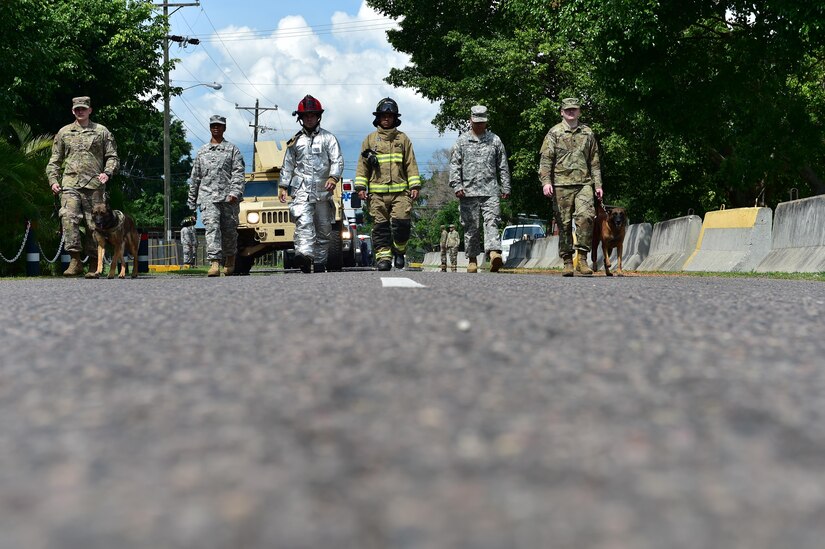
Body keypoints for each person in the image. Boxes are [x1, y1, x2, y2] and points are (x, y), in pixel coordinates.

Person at [46, 96, 119, 277]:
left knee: (95, 224)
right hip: (70, 184)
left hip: (94, 185)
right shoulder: (64, 132)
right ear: (73, 111)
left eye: (83, 108)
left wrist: (107, 172)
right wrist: (53, 181)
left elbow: (112, 157)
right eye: (77, 109)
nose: (80, 111)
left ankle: (95, 262)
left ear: (89, 110)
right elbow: (54, 161)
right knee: (68, 217)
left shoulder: (101, 132)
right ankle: (75, 260)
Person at [278, 95, 344, 273]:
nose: (309, 118)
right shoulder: (295, 142)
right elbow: (288, 164)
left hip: (323, 191)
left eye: (312, 115)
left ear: (318, 117)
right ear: (300, 118)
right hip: (301, 191)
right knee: (304, 222)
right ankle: (305, 256)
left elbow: (337, 160)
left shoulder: (329, 138)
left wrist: (333, 177)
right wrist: (283, 185)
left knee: (323, 229)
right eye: (305, 115)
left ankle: (320, 261)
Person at [355, 97, 421, 271]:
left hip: (401, 192)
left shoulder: (403, 139)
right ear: (378, 117)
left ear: (395, 118)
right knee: (380, 227)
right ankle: (383, 258)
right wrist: (361, 188)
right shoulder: (369, 140)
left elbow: (410, 163)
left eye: (390, 115)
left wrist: (414, 186)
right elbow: (362, 166)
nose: (386, 118)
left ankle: (399, 251)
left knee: (402, 225)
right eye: (383, 115)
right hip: (377, 194)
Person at [539, 97, 603, 276]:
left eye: (574, 109)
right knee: (564, 223)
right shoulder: (554, 133)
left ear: (579, 112)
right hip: (561, 185)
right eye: (567, 110)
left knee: (587, 217)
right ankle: (567, 260)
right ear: (562, 112)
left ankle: (582, 259)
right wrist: (546, 182)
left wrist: (598, 185)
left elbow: (594, 161)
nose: (571, 112)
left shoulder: (588, 133)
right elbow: (546, 160)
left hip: (584, 183)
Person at [449, 105, 511, 273]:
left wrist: (505, 186)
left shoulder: (495, 140)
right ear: (470, 120)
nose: (479, 125)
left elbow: (502, 165)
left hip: (490, 190)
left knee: (492, 222)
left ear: (486, 122)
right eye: (476, 122)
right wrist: (457, 185)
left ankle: (494, 254)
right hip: (468, 192)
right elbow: (455, 165)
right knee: (471, 227)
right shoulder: (462, 141)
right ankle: (472, 259)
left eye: (482, 122)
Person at [187, 114, 245, 277]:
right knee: (212, 229)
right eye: (213, 125)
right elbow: (196, 177)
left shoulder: (232, 150)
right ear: (210, 127)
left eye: (219, 125)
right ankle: (214, 263)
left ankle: (230, 259)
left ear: (224, 128)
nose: (216, 128)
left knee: (229, 231)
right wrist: (191, 201)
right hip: (208, 198)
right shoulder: (202, 151)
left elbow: (238, 173)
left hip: (228, 198)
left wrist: (235, 192)